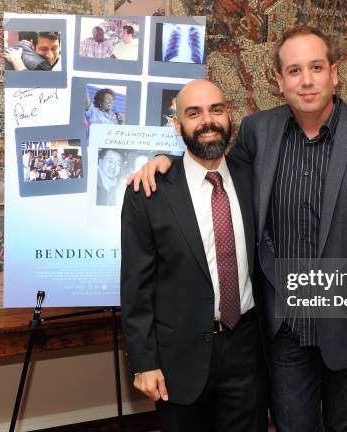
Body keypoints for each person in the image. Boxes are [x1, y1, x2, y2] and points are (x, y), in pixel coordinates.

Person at [129, 25, 347, 432]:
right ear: (279, 82)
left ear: (334, 73)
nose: (307, 79)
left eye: (316, 67)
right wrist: (163, 161)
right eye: (294, 70)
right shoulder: (257, 133)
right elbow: (210, 164)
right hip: (284, 331)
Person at [121, 79, 267, 432]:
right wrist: (144, 362)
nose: (207, 121)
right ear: (177, 124)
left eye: (216, 109)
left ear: (229, 115)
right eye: (194, 113)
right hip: (179, 355)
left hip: (247, 349)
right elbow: (136, 286)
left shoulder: (255, 178)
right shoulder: (148, 192)